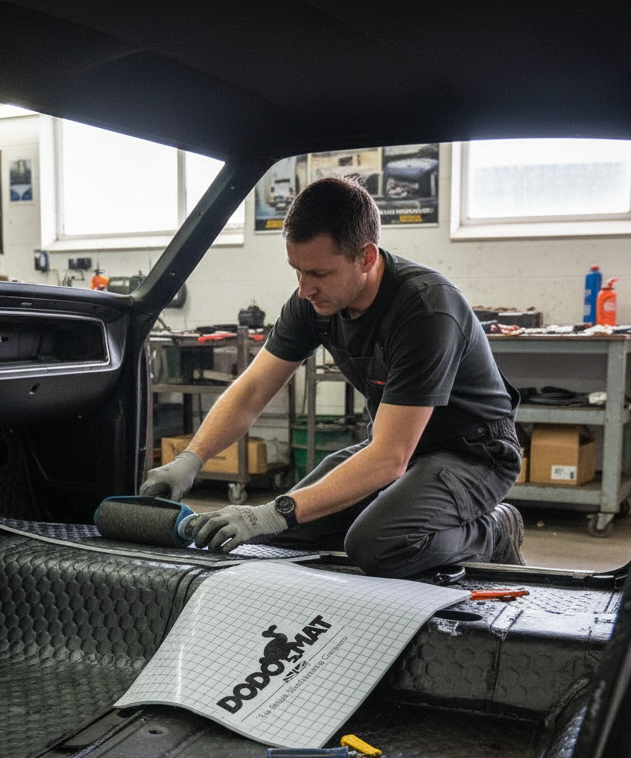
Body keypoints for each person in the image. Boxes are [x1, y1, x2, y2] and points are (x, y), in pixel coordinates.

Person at [140, 176, 524, 578]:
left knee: (376, 545)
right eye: (297, 271)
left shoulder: (426, 310)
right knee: (286, 535)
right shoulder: (313, 300)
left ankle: (493, 531)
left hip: (473, 455)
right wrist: (189, 460)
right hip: (396, 449)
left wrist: (272, 512)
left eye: (319, 274)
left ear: (367, 257)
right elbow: (252, 391)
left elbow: (391, 458)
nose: (305, 289)